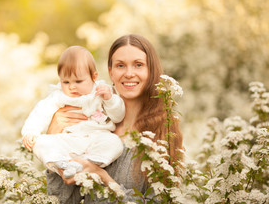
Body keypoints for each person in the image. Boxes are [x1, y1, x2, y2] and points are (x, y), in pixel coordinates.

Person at [46, 34, 184, 203]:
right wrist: (53, 140)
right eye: (120, 66)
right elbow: (62, 199)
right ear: (111, 72)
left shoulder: (162, 135)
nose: (129, 73)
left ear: (151, 71)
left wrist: (103, 178)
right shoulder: (91, 124)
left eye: (138, 65)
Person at [21, 46, 125, 178]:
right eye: (66, 81)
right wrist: (30, 132)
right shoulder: (58, 96)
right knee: (40, 143)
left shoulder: (101, 91)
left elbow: (118, 116)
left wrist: (110, 99)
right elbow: (40, 112)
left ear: (94, 77)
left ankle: (88, 163)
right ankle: (62, 164)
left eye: (78, 81)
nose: (72, 86)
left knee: (114, 142)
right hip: (68, 140)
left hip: (96, 137)